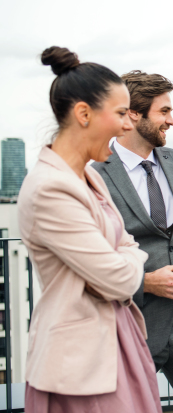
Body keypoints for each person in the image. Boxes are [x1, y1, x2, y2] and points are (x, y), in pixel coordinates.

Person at [18, 46, 161, 412]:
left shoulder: (86, 178)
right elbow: (119, 277)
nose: (128, 125)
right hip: (80, 365)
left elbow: (128, 246)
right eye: (119, 114)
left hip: (115, 345)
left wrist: (123, 255)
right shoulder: (50, 187)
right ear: (84, 114)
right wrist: (127, 259)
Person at [92, 70, 173, 412]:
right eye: (164, 111)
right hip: (134, 323)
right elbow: (96, 259)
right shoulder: (95, 175)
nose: (172, 120)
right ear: (134, 114)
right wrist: (146, 283)